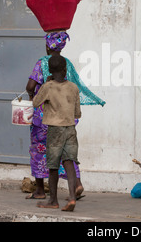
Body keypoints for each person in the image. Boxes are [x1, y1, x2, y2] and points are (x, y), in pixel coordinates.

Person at [25, 31, 105, 201]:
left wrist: (32, 95)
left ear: (47, 46)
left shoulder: (42, 63)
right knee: (68, 154)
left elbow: (30, 85)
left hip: (45, 119)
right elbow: (75, 89)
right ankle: (77, 183)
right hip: (67, 119)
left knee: (40, 151)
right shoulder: (66, 64)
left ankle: (40, 190)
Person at [33, 55, 81, 211]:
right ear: (65, 70)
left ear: (51, 71)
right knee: (69, 163)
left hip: (55, 130)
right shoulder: (73, 87)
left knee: (53, 166)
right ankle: (72, 198)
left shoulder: (48, 86)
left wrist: (46, 84)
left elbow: (35, 102)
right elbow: (77, 113)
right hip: (70, 129)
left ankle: (53, 200)